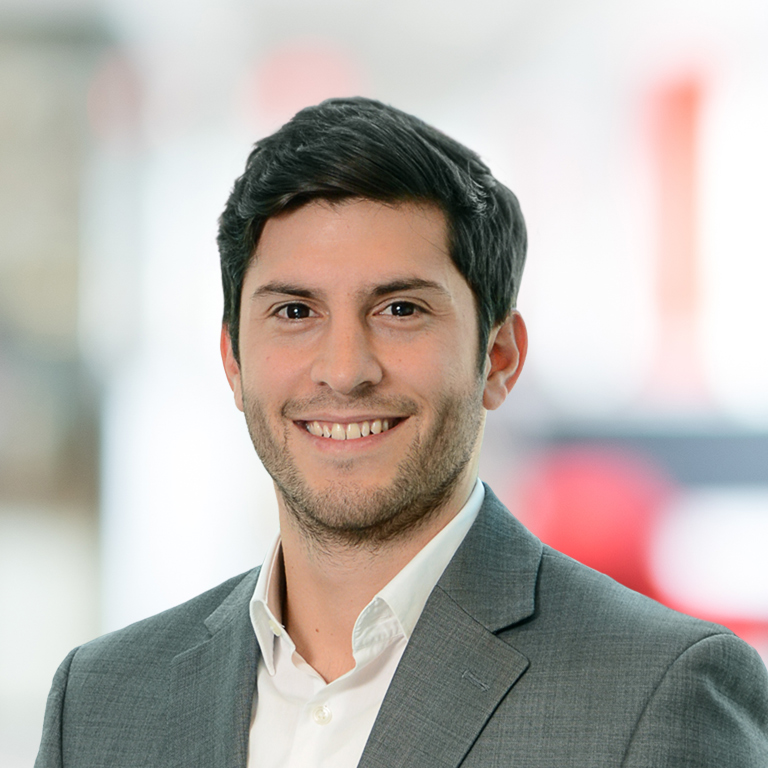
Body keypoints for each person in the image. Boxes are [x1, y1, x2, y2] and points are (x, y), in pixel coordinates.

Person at [36, 97, 768, 768]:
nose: (345, 370)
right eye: (295, 312)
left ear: (499, 358)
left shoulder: (660, 693)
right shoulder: (100, 703)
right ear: (233, 358)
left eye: (400, 311)